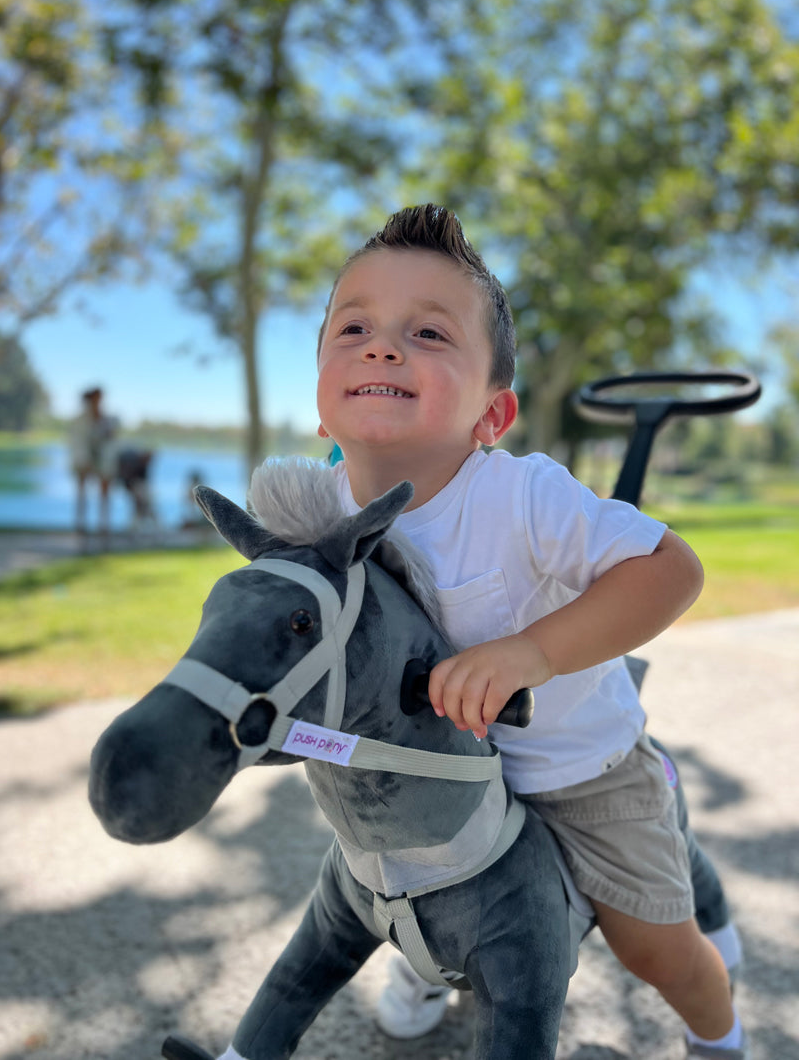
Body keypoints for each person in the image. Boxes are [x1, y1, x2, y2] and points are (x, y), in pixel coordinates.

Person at [315, 204, 748, 1058]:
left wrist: (534, 651)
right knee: (405, 883)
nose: (381, 345)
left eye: (429, 333)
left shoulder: (522, 495)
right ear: (322, 405)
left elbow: (671, 569)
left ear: (492, 415)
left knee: (652, 944)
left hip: (574, 770)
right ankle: (425, 959)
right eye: (354, 325)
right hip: (437, 778)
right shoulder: (320, 511)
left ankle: (720, 1031)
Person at [69, 387, 119, 536]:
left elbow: (110, 441)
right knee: (82, 493)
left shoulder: (106, 419)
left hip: (102, 461)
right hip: (83, 461)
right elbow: (77, 442)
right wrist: (84, 461)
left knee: (104, 493)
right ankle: (81, 525)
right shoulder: (80, 421)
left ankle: (103, 525)